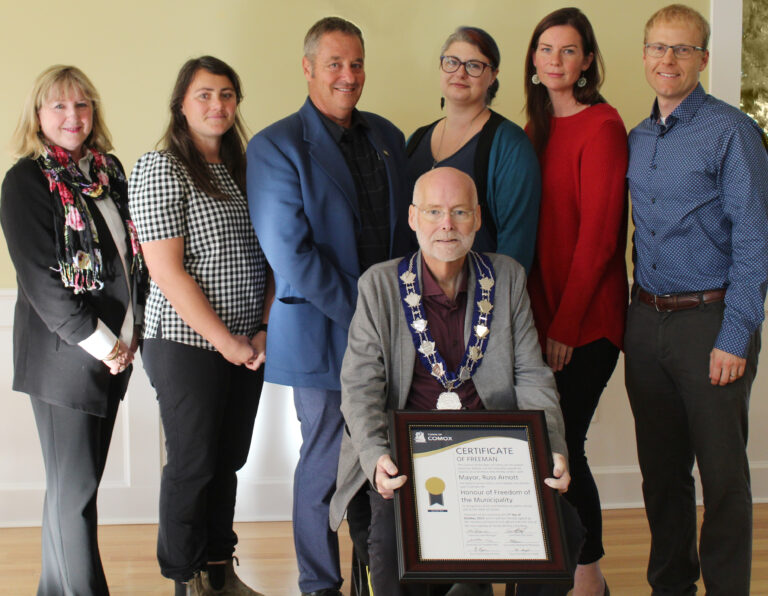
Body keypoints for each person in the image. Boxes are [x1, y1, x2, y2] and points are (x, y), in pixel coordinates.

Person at [330, 167, 583, 596]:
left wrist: (551, 446)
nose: (446, 224)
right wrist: (376, 457)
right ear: (413, 219)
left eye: (459, 211)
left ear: (477, 219)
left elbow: (532, 376)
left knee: (565, 530)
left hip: (493, 455)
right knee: (392, 547)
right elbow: (360, 389)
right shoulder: (379, 285)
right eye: (434, 212)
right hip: (405, 457)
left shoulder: (506, 278)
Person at [246, 16, 412, 596]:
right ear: (308, 67)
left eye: (357, 63)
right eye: (335, 63)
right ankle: (320, 583)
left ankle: (374, 573)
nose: (348, 75)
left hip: (392, 332)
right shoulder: (274, 146)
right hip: (322, 333)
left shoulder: (389, 137)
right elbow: (293, 258)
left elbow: (406, 238)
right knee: (322, 462)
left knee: (380, 458)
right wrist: (370, 318)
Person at [625, 5, 768, 595]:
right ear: (644, 56)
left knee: (723, 478)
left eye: (682, 49)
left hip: (710, 322)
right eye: (659, 47)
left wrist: (734, 335)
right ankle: (671, 587)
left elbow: (756, 239)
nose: (668, 60)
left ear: (703, 59)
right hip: (646, 319)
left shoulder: (732, 130)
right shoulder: (636, 138)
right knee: (662, 478)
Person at [0, 65, 147, 595]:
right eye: (59, 106)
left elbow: (129, 264)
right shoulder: (25, 182)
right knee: (75, 494)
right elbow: (42, 281)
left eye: (81, 105)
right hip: (67, 360)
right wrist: (107, 343)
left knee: (71, 491)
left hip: (113, 354)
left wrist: (131, 335)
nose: (72, 116)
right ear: (38, 114)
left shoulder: (108, 172)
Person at [129, 56, 272, 596]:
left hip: (248, 342)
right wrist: (226, 342)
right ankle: (183, 576)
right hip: (187, 343)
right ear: (181, 105)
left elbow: (273, 255)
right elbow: (166, 270)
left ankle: (219, 567)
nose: (218, 105)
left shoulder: (246, 169)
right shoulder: (160, 167)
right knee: (193, 462)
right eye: (205, 95)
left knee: (229, 459)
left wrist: (258, 331)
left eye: (228, 95)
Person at [523, 8, 628, 596]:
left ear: (587, 60)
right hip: (538, 320)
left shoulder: (603, 125)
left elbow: (599, 240)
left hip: (586, 322)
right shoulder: (533, 131)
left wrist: (564, 325)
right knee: (542, 443)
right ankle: (546, 568)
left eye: (568, 50)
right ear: (533, 62)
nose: (556, 60)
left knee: (565, 445)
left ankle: (589, 578)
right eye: (545, 49)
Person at [406, 26, 540, 272]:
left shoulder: (510, 145)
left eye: (474, 65)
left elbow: (516, 245)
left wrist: (495, 303)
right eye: (452, 62)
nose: (460, 73)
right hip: (417, 298)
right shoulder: (416, 139)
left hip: (481, 298)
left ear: (493, 76)